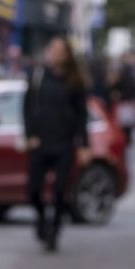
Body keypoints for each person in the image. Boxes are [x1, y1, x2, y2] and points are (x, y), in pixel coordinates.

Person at [22, 36, 90, 253]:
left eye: (60, 50)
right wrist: (29, 134)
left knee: (60, 190)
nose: (56, 53)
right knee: (33, 190)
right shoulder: (38, 76)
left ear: (67, 55)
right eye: (53, 49)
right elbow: (27, 107)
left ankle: (55, 230)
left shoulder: (75, 82)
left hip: (64, 142)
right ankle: (42, 219)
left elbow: (82, 115)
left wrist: (83, 144)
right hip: (40, 141)